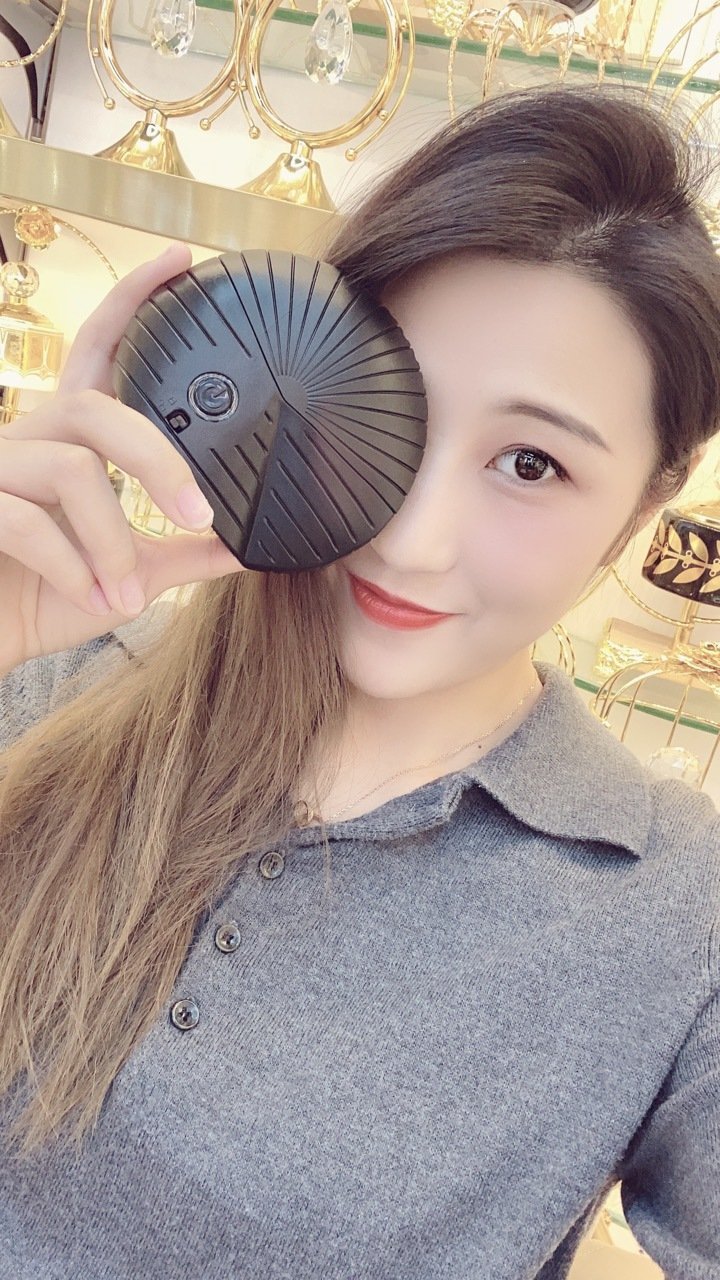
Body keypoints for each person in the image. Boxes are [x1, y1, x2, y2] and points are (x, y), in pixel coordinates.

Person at [0, 83, 719, 1280]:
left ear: (642, 508)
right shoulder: (57, 680)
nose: (409, 539)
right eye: (389, 416)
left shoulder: (676, 909)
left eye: (530, 462)